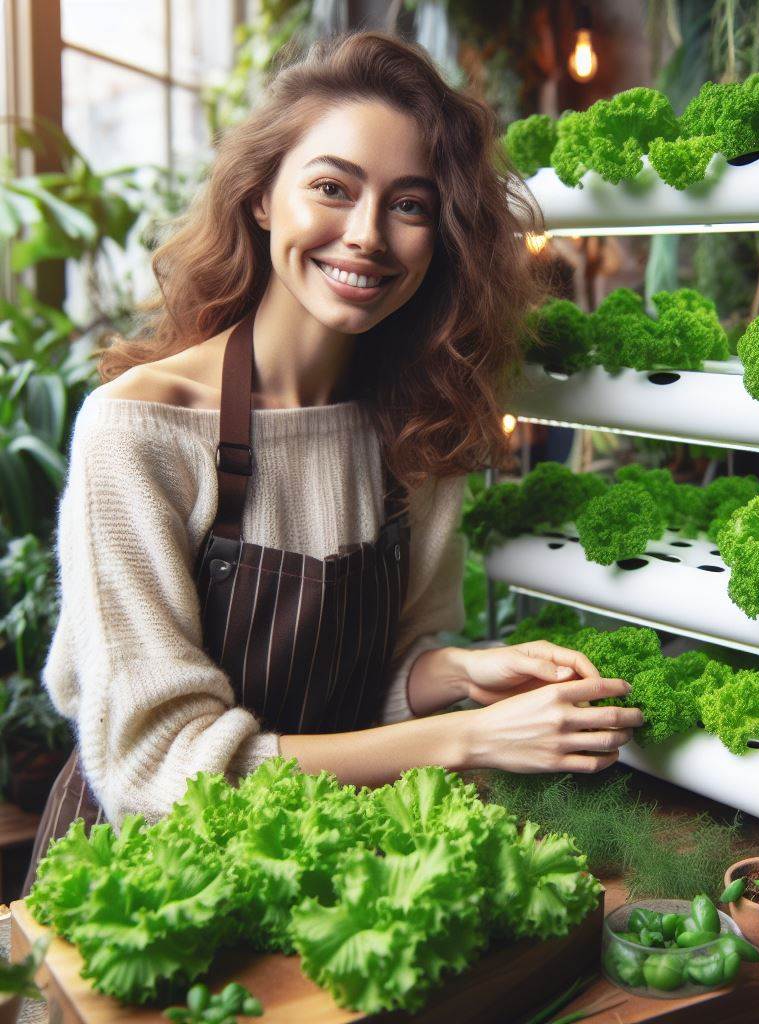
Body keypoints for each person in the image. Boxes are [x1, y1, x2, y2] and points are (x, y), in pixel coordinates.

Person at [22, 31, 641, 894]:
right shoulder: (140, 434)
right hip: (141, 883)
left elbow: (358, 689)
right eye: (331, 188)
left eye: (410, 205)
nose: (366, 236)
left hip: (324, 869)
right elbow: (156, 772)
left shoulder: (417, 427)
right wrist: (468, 735)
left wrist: (453, 673)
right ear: (263, 196)